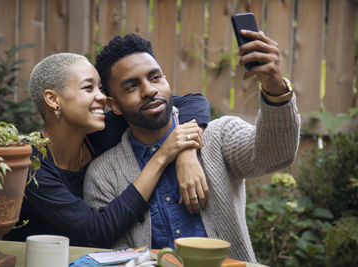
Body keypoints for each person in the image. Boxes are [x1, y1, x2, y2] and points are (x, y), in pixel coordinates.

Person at [83, 33, 300, 262]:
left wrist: (275, 87)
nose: (149, 90)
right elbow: (114, 258)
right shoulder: (103, 176)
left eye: (155, 77)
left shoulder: (219, 137)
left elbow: (276, 155)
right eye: (131, 86)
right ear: (114, 105)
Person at [4, 52, 212, 247]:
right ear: (53, 100)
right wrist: (163, 155)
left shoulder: (101, 131)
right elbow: (96, 231)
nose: (103, 98)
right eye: (89, 88)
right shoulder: (30, 165)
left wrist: (187, 152)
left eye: (101, 89)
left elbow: (191, 101)